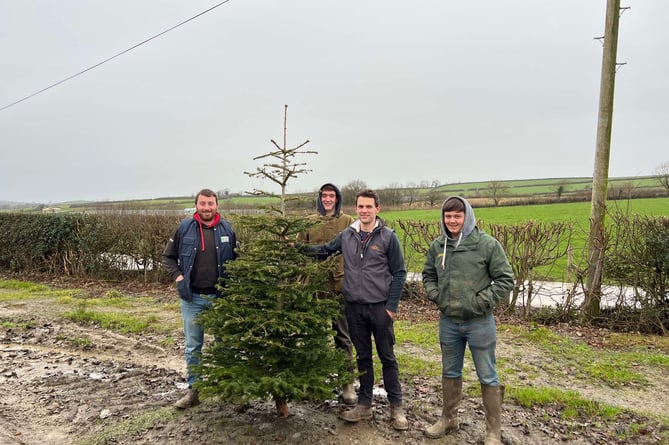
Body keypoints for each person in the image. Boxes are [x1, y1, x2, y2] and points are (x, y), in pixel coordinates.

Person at [306, 189, 409, 431]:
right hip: (354, 308)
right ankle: (364, 405)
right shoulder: (347, 235)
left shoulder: (388, 237)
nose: (364, 211)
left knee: (387, 357)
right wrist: (295, 247)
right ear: (356, 209)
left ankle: (397, 407)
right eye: (361, 207)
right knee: (362, 357)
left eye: (369, 207)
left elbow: (400, 273)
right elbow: (324, 251)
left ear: (377, 209)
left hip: (380, 309)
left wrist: (391, 307)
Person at [421, 196, 514, 444]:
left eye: (457, 216)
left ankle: (493, 431)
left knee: (487, 374)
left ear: (467, 216)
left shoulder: (487, 245)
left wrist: (479, 303)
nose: (452, 221)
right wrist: (436, 296)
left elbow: (506, 280)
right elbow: (428, 275)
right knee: (450, 371)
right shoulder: (438, 246)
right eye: (448, 216)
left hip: (479, 323)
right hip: (448, 322)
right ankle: (448, 419)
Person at [162, 188, 237, 409]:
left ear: (217, 205)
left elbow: (237, 260)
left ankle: (228, 389)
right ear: (197, 205)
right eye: (203, 203)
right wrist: (178, 276)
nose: (206, 208)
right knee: (193, 347)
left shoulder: (227, 229)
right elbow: (168, 256)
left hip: (220, 298)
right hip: (192, 299)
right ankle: (194, 392)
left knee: (225, 346)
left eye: (210, 204)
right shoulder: (184, 229)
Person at [296, 183, 357, 405]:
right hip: (314, 288)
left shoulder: (348, 222)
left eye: (332, 195)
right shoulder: (308, 223)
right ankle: (311, 381)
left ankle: (347, 383)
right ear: (319, 198)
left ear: (337, 198)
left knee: (342, 336)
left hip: (340, 288)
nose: (328, 199)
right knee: (313, 336)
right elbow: (299, 251)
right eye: (324, 195)